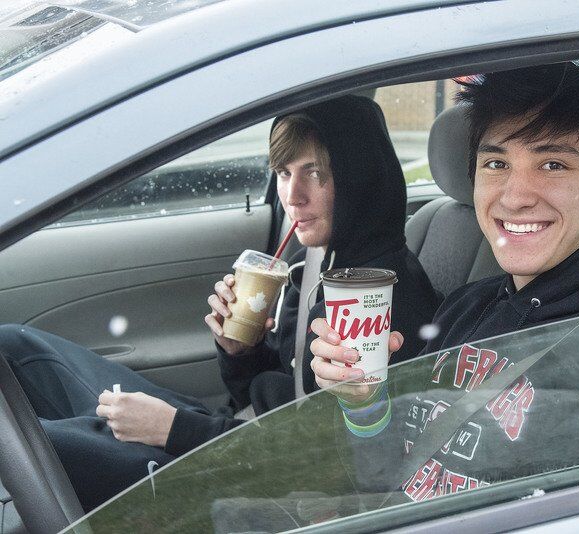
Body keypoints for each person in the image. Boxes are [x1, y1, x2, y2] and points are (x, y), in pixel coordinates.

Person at [0, 95, 440, 510]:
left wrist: (174, 429)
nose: (292, 195)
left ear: (358, 179)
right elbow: (276, 393)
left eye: (316, 173)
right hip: (238, 437)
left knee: (24, 447)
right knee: (16, 347)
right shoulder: (314, 259)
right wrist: (240, 351)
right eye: (284, 172)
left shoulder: (374, 301)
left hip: (259, 477)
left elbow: (339, 464)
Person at [308, 62, 579, 502]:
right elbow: (392, 479)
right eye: (497, 163)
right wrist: (365, 403)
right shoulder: (466, 307)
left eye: (552, 164)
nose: (515, 196)